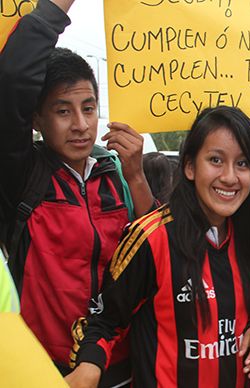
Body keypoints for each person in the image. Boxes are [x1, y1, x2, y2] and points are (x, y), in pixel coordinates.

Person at [0, 0, 154, 384]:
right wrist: (56, 8)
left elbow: (152, 248)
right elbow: (14, 79)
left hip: (118, 365)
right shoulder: (21, 174)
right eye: (63, 111)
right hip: (43, 369)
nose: (81, 125)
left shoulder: (114, 171)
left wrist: (136, 176)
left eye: (89, 107)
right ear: (36, 118)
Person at [67, 107, 250, 387]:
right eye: (216, 160)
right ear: (189, 166)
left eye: (242, 164)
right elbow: (104, 321)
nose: (229, 177)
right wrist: (88, 368)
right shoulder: (151, 238)